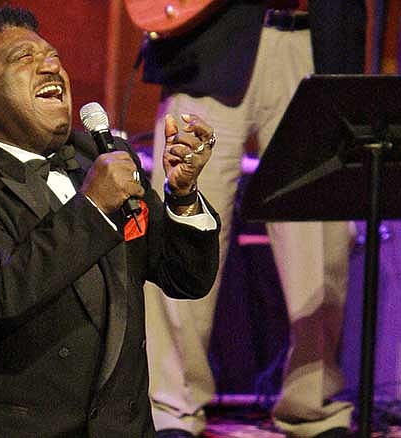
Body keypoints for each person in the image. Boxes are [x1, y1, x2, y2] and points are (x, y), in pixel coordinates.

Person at [0, 6, 221, 437]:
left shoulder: (99, 159)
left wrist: (182, 196)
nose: (52, 65)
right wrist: (91, 209)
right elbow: (0, 295)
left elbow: (185, 277)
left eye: (53, 56)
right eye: (24, 58)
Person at [140, 1, 366, 437]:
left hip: (315, 37)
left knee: (321, 233)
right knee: (184, 219)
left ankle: (311, 403)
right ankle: (173, 406)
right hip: (210, 36)